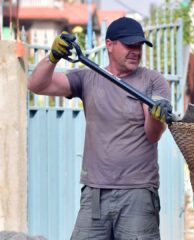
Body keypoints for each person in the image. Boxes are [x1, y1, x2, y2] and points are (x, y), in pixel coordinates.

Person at [28, 17, 172, 240]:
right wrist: (53, 57)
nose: (136, 51)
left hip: (137, 192)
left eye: (139, 46)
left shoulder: (152, 81)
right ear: (109, 45)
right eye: (129, 45)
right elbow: (37, 85)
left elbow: (152, 135)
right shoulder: (88, 78)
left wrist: (157, 116)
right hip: (94, 192)